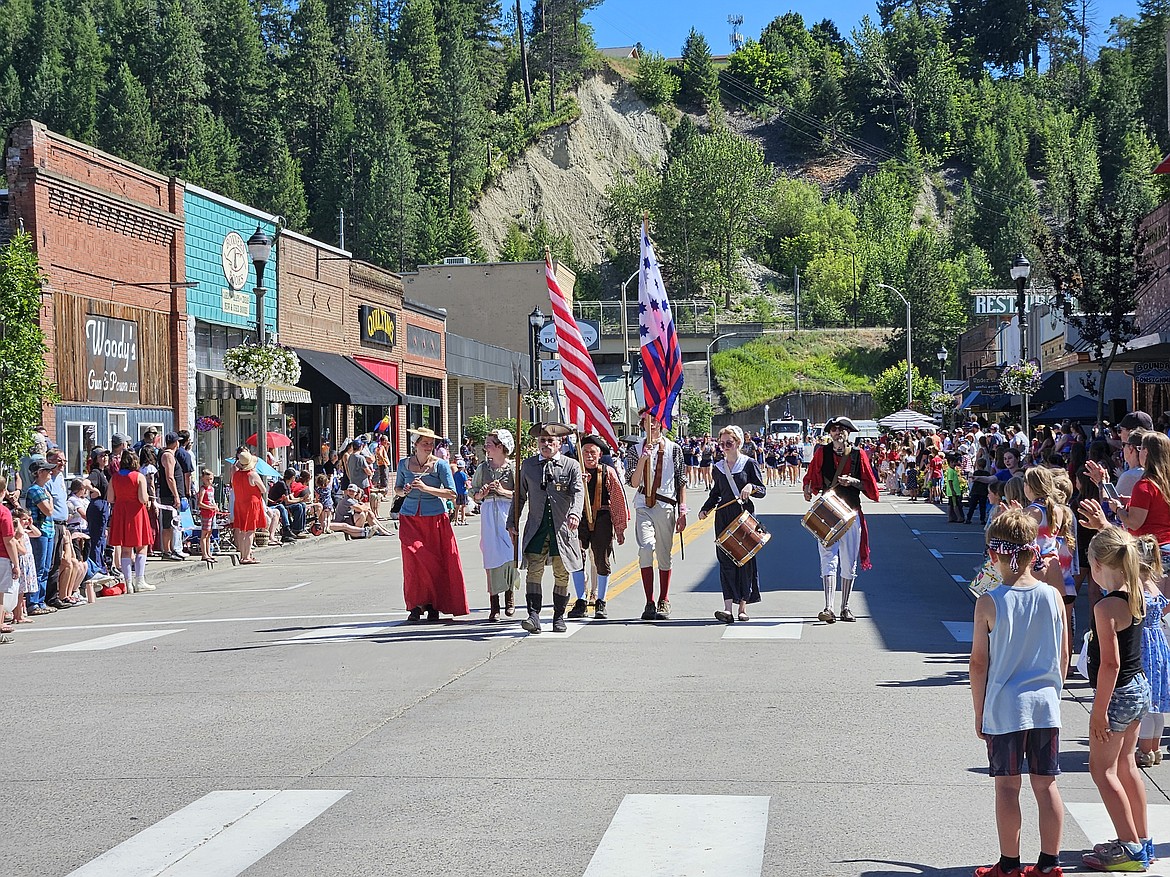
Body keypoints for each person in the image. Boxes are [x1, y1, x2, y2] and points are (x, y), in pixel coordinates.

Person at [969, 509, 1066, 877]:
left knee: (1007, 787)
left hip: (1005, 706)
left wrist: (979, 711)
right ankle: (1050, 864)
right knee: (1046, 786)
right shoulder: (1053, 597)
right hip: (1045, 706)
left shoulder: (989, 602)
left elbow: (979, 663)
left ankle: (1009, 865)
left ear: (994, 555)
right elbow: (1062, 653)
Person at [1080, 527, 1154, 872]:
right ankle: (1142, 838)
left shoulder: (1105, 605)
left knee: (1102, 769)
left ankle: (1129, 848)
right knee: (1126, 764)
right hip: (1139, 688)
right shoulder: (1134, 593)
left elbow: (1110, 662)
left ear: (1096, 565)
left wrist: (1098, 712)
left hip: (1117, 693)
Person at [803, 416, 880, 624]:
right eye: (835, 429)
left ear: (848, 433)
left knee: (849, 562)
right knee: (827, 558)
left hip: (851, 513)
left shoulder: (858, 454)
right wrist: (808, 488)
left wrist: (853, 481)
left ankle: (845, 606)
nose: (838, 433)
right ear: (830, 433)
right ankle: (828, 606)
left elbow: (870, 486)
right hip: (828, 513)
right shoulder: (822, 452)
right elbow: (811, 476)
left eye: (842, 429)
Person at [509, 422, 583, 634]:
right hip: (536, 528)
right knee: (534, 571)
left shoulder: (571, 466)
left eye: (551, 441)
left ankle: (559, 616)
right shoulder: (529, 466)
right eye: (542, 440)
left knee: (562, 573)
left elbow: (578, 493)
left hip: (562, 530)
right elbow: (520, 496)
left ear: (559, 443)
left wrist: (575, 513)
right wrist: (512, 522)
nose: (546, 444)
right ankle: (533, 616)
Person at [394, 427, 468, 623]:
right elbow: (398, 489)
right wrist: (406, 490)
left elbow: (452, 493)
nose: (429, 446)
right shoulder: (403, 464)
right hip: (410, 517)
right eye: (425, 443)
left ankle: (433, 604)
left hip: (435, 517)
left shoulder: (441, 465)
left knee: (433, 562)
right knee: (413, 562)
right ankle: (416, 605)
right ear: (415, 443)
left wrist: (427, 488)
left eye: (431, 443)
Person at [699, 426, 766, 624]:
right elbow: (716, 493)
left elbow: (762, 490)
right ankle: (727, 608)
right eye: (722, 444)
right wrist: (705, 508)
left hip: (744, 516)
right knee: (725, 561)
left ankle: (742, 607)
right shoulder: (718, 468)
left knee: (744, 561)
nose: (725, 447)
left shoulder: (749, 464)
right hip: (723, 517)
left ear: (738, 443)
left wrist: (751, 487)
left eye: (729, 443)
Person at [626, 408, 687, 621]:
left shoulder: (673, 449)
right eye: (646, 422)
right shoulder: (635, 449)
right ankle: (649, 601)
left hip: (666, 504)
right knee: (645, 548)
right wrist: (643, 458)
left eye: (654, 422)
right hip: (644, 504)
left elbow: (681, 481)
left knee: (663, 554)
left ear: (660, 424)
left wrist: (682, 511)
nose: (650, 426)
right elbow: (633, 482)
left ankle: (664, 599)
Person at [568, 433, 627, 622]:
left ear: (599, 454)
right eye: (585, 452)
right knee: (577, 558)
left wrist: (619, 528)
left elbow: (618, 499)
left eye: (593, 452)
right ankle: (581, 600)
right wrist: (578, 482)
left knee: (601, 559)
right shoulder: (574, 472)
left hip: (601, 517)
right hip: (579, 518)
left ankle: (601, 600)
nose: (589, 456)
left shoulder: (607, 471)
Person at [471, 429, 518, 622]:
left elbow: (522, 495)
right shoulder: (483, 468)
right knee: (491, 556)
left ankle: (510, 597)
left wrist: (503, 491)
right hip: (489, 513)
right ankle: (494, 603)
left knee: (509, 556)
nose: (486, 447)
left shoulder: (513, 468)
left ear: (500, 446)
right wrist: (480, 495)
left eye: (489, 443)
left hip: (508, 512)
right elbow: (473, 492)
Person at [109, 448, 156, 592]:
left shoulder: (114, 477)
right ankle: (140, 580)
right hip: (136, 512)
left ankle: (128, 583)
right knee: (141, 546)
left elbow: (110, 498)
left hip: (120, 511)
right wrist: (148, 499)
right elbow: (142, 498)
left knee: (125, 549)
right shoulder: (138, 476)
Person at [231, 451, 267, 565]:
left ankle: (243, 555)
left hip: (240, 503)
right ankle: (246, 556)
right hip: (251, 504)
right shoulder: (252, 474)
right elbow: (263, 489)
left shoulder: (235, 475)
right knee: (250, 530)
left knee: (242, 530)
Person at [196, 469, 217, 563]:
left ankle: (209, 553)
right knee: (204, 534)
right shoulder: (203, 489)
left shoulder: (212, 489)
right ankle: (204, 554)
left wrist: (215, 506)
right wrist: (209, 507)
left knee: (209, 534)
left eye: (211, 479)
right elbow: (199, 503)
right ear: (203, 479)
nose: (210, 481)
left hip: (212, 513)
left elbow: (213, 500)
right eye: (208, 479)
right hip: (206, 514)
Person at [453, 459, 469, 526]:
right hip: (463, 491)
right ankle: (463, 520)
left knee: (457, 507)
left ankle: (456, 520)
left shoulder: (455, 474)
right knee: (463, 506)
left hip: (457, 491)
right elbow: (466, 483)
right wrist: (468, 487)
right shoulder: (463, 474)